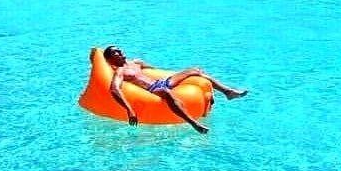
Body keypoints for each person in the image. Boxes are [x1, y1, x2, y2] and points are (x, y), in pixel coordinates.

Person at [102, 46, 247, 134]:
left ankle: (228, 92)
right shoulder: (120, 71)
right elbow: (114, 89)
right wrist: (129, 109)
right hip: (153, 89)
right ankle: (193, 122)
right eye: (116, 52)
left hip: (162, 81)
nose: (120, 51)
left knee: (195, 70)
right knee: (166, 92)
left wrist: (207, 88)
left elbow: (158, 71)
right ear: (110, 59)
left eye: (119, 49)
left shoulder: (136, 62)